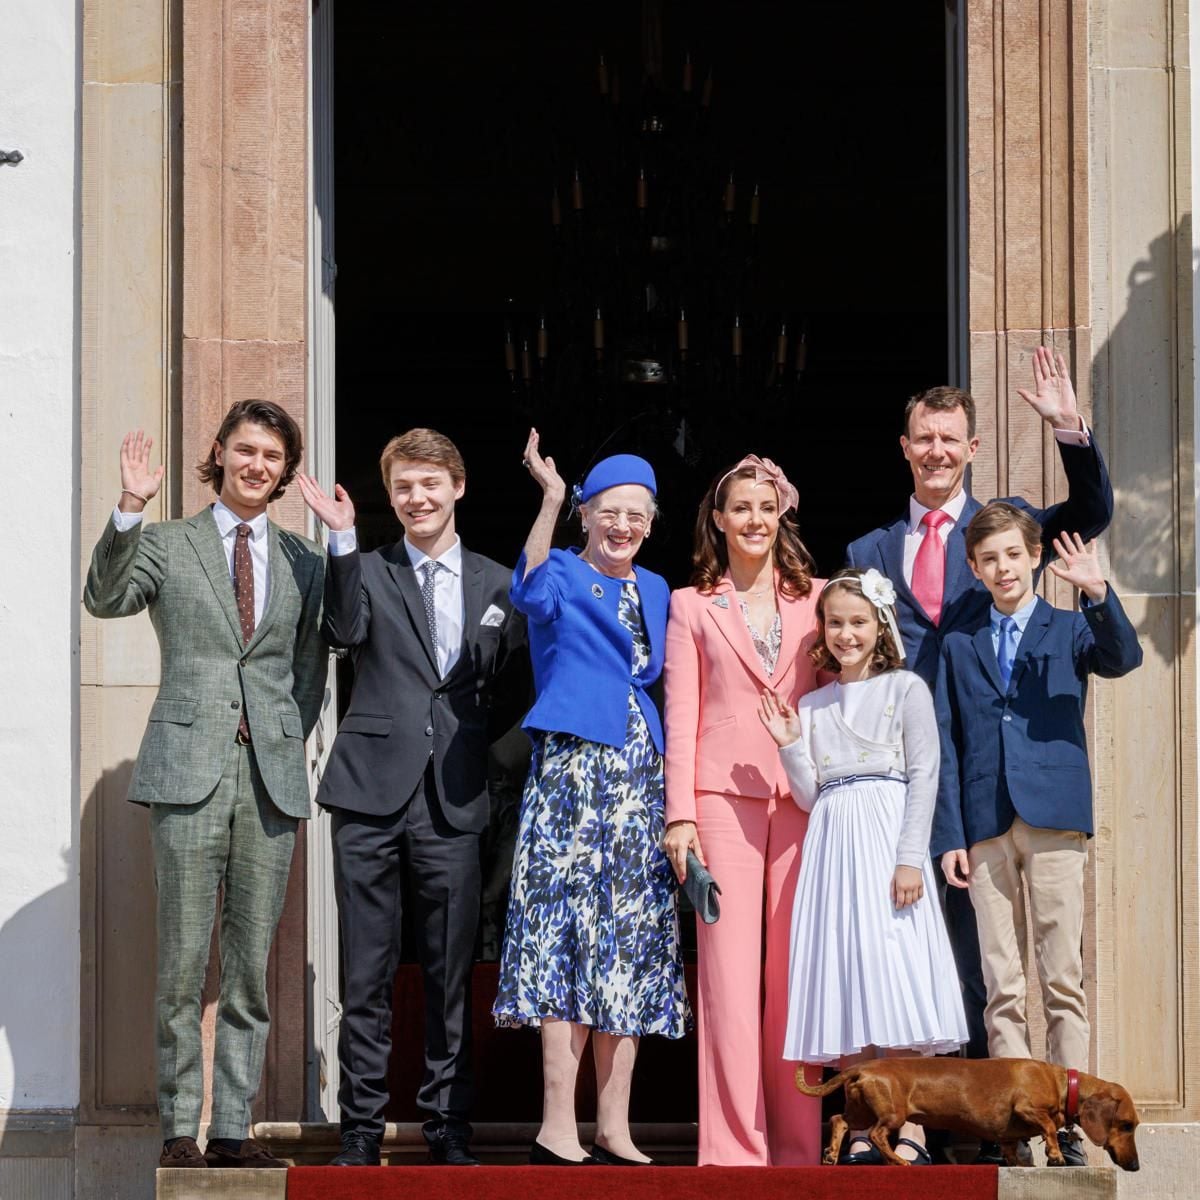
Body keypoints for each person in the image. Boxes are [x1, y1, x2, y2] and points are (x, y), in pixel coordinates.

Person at [845, 348, 1114, 1122]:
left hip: (988, 775)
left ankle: (994, 1121)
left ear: (972, 447)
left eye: (949, 438)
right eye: (921, 437)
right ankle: (920, 1113)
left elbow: (1089, 514)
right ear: (905, 446)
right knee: (913, 946)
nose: (935, 450)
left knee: (990, 957)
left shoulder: (1006, 532)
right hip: (896, 775)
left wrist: (1070, 428)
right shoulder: (868, 551)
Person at [83, 404, 327, 1171]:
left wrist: (282, 734)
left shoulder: (303, 560)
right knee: (184, 964)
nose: (257, 464)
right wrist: (128, 507)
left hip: (269, 780)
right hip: (188, 774)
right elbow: (106, 597)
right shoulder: (167, 542)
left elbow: (309, 669)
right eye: (245, 450)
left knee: (251, 968)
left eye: (272, 455)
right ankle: (179, 1131)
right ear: (218, 454)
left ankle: (232, 1132)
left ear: (286, 470)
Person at [296, 429, 526, 1168]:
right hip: (368, 796)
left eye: (429, 484)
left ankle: (447, 1128)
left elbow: (517, 690)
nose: (416, 499)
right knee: (364, 974)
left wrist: (488, 764)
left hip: (453, 801)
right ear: (389, 496)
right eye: (402, 487)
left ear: (457, 486)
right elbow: (339, 631)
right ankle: (359, 1130)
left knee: (449, 976)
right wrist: (340, 543)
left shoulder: (498, 583)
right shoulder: (365, 569)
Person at [493, 431, 690, 1166]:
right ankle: (556, 1125)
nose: (625, 525)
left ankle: (614, 1124)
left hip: (640, 777)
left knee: (629, 942)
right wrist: (547, 499)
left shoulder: (661, 589)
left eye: (638, 514)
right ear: (587, 513)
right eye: (611, 511)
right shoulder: (565, 575)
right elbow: (526, 589)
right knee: (566, 937)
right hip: (575, 774)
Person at [932, 504, 1142, 1166]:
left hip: (1053, 816)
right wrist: (949, 836)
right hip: (985, 820)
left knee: (1060, 977)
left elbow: (1125, 657)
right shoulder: (959, 642)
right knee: (1001, 982)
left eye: (1013, 556)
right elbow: (946, 738)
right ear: (974, 567)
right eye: (989, 559)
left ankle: (1068, 1123)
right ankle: (1016, 1127)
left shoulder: (1070, 626)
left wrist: (1099, 594)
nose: (1002, 568)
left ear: (1034, 560)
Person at [759, 568, 967, 1166]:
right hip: (833, 841)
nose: (846, 634)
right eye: (835, 623)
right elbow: (807, 794)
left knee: (894, 968)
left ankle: (914, 1128)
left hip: (886, 832)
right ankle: (859, 1127)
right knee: (850, 972)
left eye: (858, 622)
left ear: (880, 626)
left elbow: (925, 775)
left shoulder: (906, 689)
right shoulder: (815, 703)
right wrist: (790, 743)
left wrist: (910, 859)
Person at [661, 454, 824, 1165]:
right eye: (742, 509)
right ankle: (732, 1148)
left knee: (795, 975)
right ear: (719, 520)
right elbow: (681, 713)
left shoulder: (820, 599)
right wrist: (679, 815)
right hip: (719, 801)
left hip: (802, 800)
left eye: (767, 507)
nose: (755, 520)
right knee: (727, 977)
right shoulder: (690, 603)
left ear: (781, 512)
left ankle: (797, 1145)